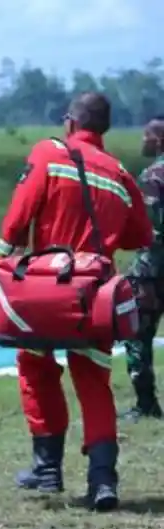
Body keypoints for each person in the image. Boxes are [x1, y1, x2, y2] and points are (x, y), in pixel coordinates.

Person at [0, 93, 153, 511]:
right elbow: (142, 236)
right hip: (94, 294)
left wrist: (5, 253)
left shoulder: (50, 153)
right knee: (93, 381)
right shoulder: (121, 174)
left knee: (35, 366)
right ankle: (103, 480)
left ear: (71, 122)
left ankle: (47, 468)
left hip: (45, 287)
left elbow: (19, 214)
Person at [123, 116, 164, 421]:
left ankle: (146, 404)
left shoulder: (153, 175)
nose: (142, 141)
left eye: (147, 136)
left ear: (159, 140)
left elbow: (148, 228)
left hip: (153, 269)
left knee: (137, 334)